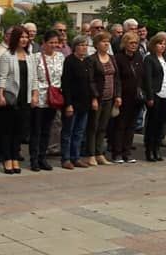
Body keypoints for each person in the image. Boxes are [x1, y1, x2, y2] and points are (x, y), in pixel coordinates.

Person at [0, 26, 38, 174]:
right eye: (21, 37)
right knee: (8, 130)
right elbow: (2, 77)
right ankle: (7, 159)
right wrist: (0, 95)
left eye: (26, 37)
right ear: (15, 39)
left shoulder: (30, 57)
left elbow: (34, 78)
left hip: (25, 98)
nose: (24, 39)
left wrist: (35, 94)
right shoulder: (7, 55)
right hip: (11, 98)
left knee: (19, 130)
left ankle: (15, 157)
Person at [84, 31, 120, 164]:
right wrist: (93, 97)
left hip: (110, 98)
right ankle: (91, 154)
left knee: (103, 126)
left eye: (107, 41)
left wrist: (118, 95)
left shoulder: (112, 58)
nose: (106, 44)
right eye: (103, 41)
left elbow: (116, 78)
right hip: (98, 97)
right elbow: (91, 80)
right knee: (93, 126)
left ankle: (100, 153)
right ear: (96, 44)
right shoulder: (91, 59)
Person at [29, 30, 63, 171]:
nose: (53, 45)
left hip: (53, 97)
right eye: (51, 42)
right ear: (44, 43)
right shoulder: (36, 57)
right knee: (36, 129)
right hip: (40, 96)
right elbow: (33, 77)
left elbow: (62, 77)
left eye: (56, 42)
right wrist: (34, 94)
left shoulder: (60, 57)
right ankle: (34, 159)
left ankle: (43, 157)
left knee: (47, 129)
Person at [111, 32, 143, 163]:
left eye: (136, 43)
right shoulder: (118, 58)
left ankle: (127, 152)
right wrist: (117, 95)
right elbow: (117, 78)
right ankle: (117, 153)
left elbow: (142, 76)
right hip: (123, 96)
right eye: (131, 43)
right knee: (120, 125)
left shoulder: (139, 57)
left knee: (131, 126)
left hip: (136, 97)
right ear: (125, 43)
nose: (134, 45)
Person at [60, 36, 91, 169]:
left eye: (86, 45)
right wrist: (68, 104)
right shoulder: (69, 61)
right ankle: (66, 158)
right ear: (75, 46)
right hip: (72, 102)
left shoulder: (87, 61)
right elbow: (66, 84)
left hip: (85, 103)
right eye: (81, 45)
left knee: (79, 132)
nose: (84, 47)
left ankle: (76, 157)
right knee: (68, 132)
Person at [141, 33, 166, 162]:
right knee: (153, 123)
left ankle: (157, 148)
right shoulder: (149, 59)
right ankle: (149, 150)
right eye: (160, 44)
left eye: (164, 44)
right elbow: (147, 79)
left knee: (162, 123)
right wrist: (149, 96)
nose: (162, 46)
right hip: (155, 94)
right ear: (154, 45)